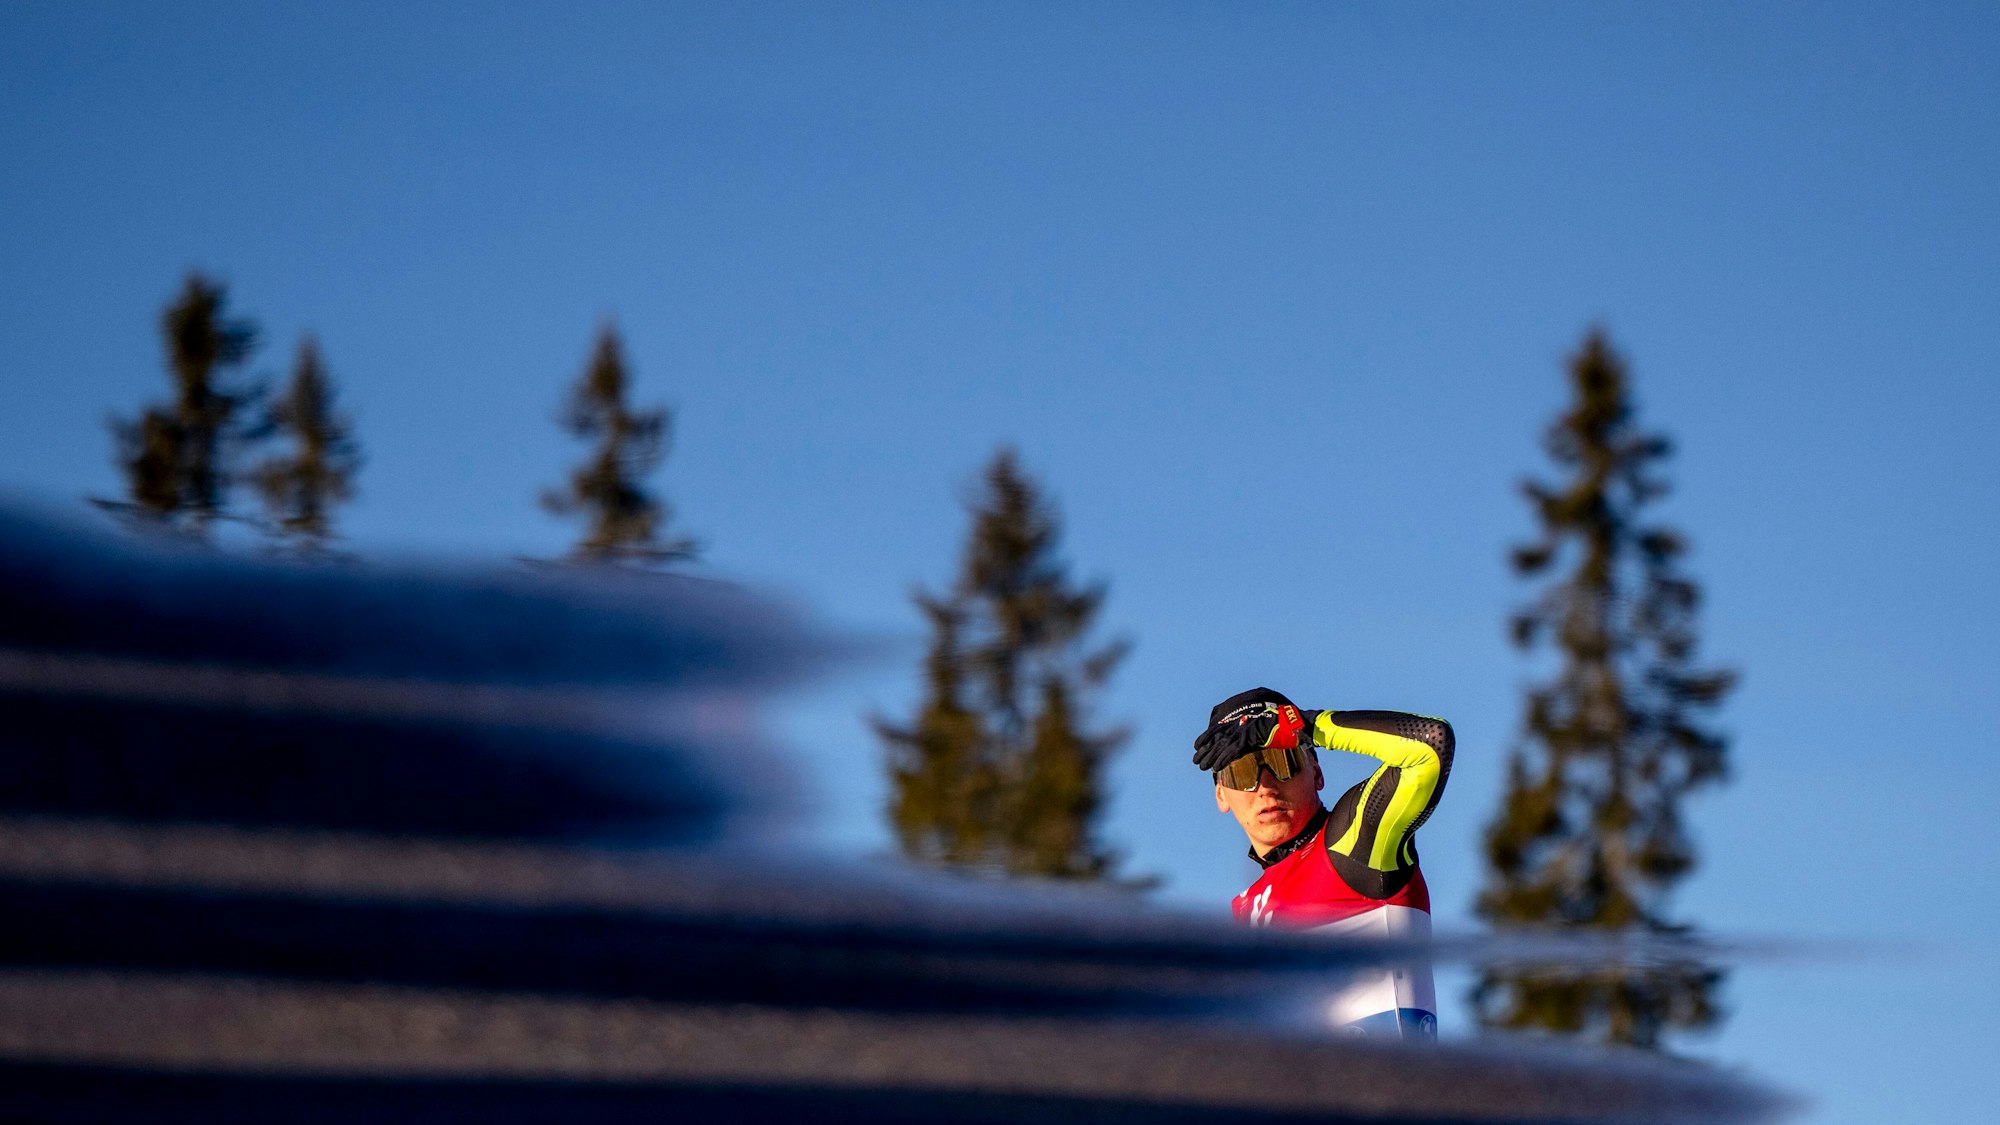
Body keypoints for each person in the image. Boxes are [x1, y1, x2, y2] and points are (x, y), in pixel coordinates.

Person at [1192, 686, 1455, 1039]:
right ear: (1221, 794)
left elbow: (1429, 747)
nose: (1265, 786)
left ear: (1315, 772)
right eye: (1243, 771)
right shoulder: (1247, 908)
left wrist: (1303, 726)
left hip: (1391, 1089)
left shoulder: (1352, 842)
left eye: (1283, 760)